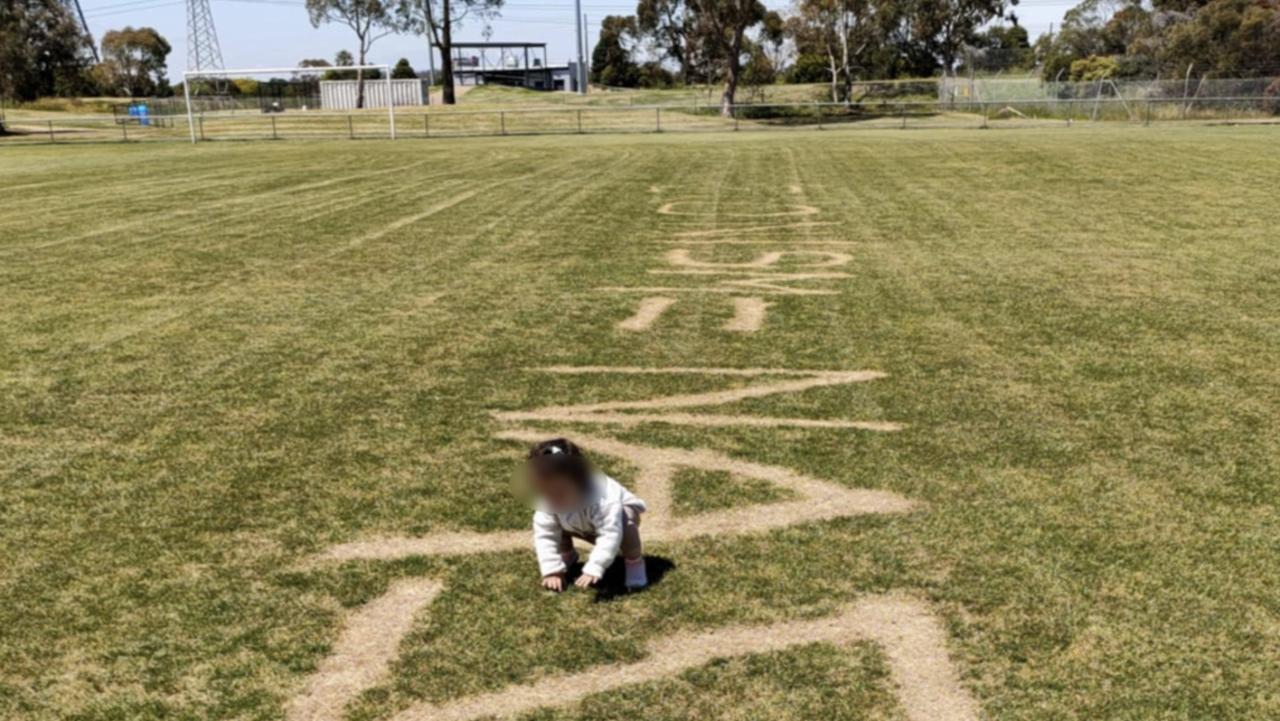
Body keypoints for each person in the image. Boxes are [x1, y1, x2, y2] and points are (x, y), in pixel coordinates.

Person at [524, 438, 648, 592]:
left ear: (579, 480)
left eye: (559, 492)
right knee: (553, 522)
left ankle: (634, 561)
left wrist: (595, 566)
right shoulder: (550, 500)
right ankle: (567, 553)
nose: (551, 498)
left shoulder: (603, 499)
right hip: (580, 523)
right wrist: (552, 570)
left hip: (617, 521)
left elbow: (610, 533)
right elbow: (545, 535)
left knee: (625, 524)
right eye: (544, 491)